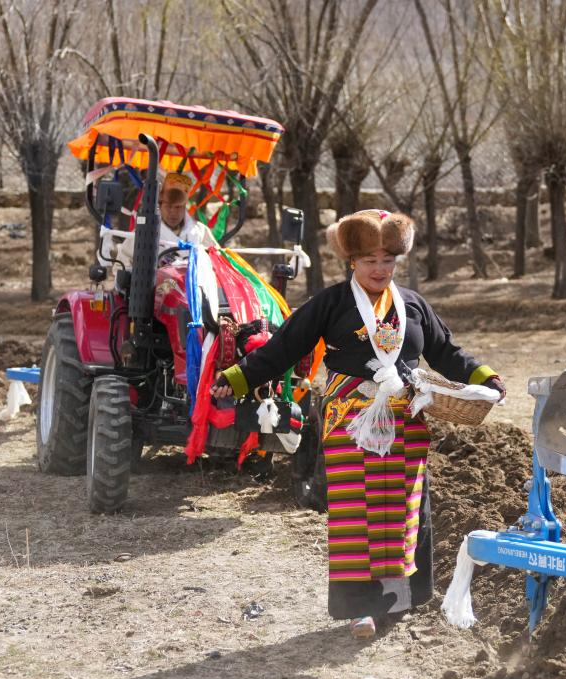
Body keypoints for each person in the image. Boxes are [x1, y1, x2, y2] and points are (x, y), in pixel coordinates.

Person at [210, 209, 505, 639]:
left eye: (388, 260)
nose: (380, 269)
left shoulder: (413, 304)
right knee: (357, 512)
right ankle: (361, 609)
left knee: (404, 508)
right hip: (350, 422)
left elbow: (445, 350)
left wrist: (485, 377)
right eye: (370, 260)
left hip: (404, 419)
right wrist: (236, 377)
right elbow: (285, 347)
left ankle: (400, 599)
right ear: (352, 261)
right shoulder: (331, 303)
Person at [115, 172, 218, 268]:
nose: (173, 212)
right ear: (160, 205)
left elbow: (218, 260)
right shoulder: (144, 232)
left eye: (178, 207)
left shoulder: (200, 231)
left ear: (184, 206)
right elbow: (121, 265)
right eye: (168, 206)